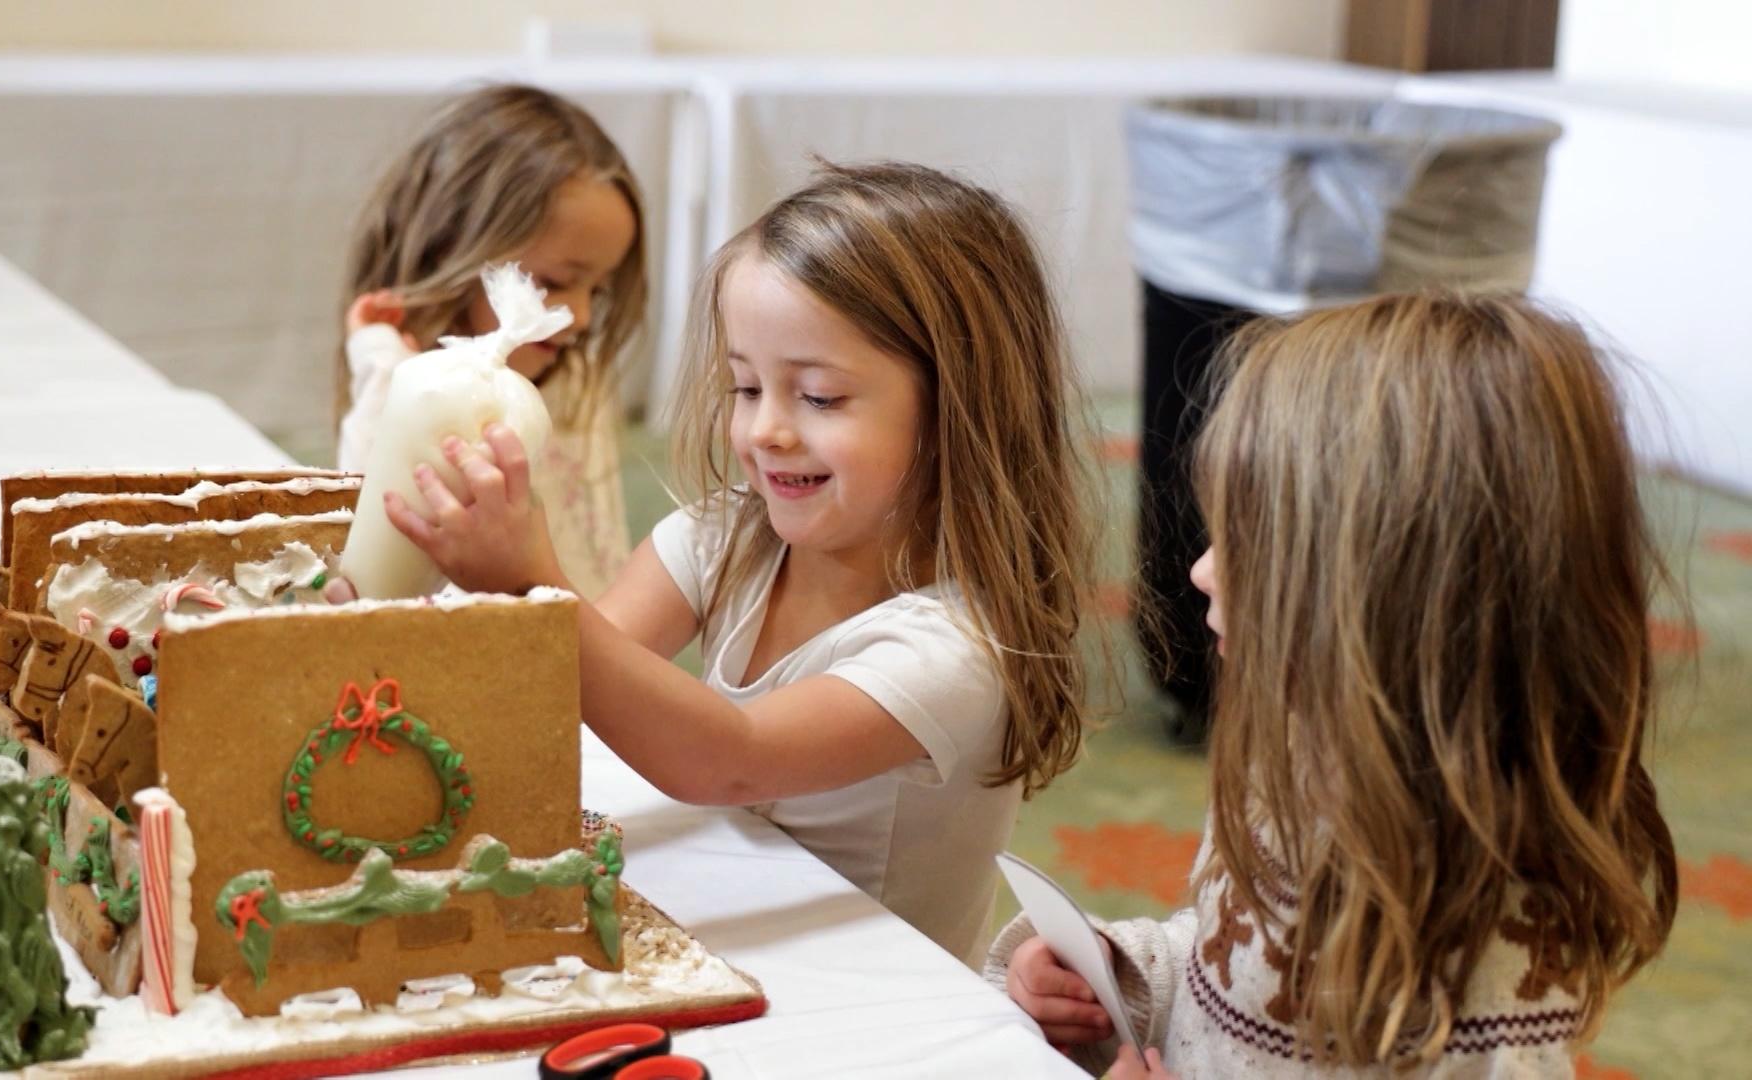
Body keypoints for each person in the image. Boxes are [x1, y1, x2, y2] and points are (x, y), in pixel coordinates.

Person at [347, 162, 1094, 967]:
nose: (765, 430)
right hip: (731, 955)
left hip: (873, 999)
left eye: (819, 397)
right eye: (746, 386)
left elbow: (728, 761)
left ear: (960, 406)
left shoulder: (956, 649)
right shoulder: (727, 537)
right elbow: (544, 687)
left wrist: (538, 585)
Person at [992, 294, 1680, 1076]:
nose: (1201, 570)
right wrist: (1116, 975)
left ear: (1388, 596)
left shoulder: (1483, 987)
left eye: (1252, 542)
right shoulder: (1296, 742)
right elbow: (1232, 970)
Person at [335, 83, 646, 598]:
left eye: (599, 288)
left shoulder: (578, 385)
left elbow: (597, 560)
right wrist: (382, 373)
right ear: (453, 251)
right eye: (552, 282)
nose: (584, 316)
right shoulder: (407, 384)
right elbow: (360, 548)